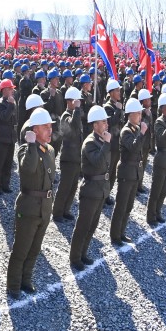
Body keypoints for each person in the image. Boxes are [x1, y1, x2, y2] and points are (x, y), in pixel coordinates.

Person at [7, 108, 56, 301]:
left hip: (44, 206)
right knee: (21, 248)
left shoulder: (50, 150)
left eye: (50, 126)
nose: (50, 130)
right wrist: (32, 143)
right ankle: (13, 285)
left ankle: (26, 280)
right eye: (45, 127)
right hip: (28, 207)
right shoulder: (25, 149)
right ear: (34, 129)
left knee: (35, 248)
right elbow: (28, 169)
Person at [69, 106, 113, 270]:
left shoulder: (100, 140)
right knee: (83, 225)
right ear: (95, 125)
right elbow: (98, 162)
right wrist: (107, 144)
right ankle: (75, 257)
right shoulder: (90, 143)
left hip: (100, 189)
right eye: (103, 121)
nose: (106, 124)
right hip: (91, 189)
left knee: (92, 224)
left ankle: (83, 253)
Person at [109, 98, 147, 246]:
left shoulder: (135, 129)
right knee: (121, 205)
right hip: (126, 172)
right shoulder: (126, 131)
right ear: (130, 114)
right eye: (138, 113)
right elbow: (133, 147)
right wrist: (142, 133)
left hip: (134, 172)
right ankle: (115, 235)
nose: (140, 116)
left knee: (129, 205)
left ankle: (121, 232)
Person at [52, 87, 84, 223]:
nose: (79, 104)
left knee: (72, 187)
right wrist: (76, 110)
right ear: (70, 102)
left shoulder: (74, 114)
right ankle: (57, 212)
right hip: (68, 158)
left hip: (76, 157)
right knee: (65, 187)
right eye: (76, 101)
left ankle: (66, 210)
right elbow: (74, 127)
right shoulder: (66, 115)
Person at [146, 93, 166, 225]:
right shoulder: (159, 122)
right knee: (156, 190)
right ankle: (151, 216)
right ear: (163, 108)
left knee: (163, 190)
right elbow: (161, 140)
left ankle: (158, 212)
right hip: (161, 158)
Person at [0, 79, 18, 193]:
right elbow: (4, 118)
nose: (13, 91)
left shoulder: (11, 101)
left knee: (8, 163)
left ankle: (5, 184)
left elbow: (14, 119)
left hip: (10, 137)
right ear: (5, 90)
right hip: (2, 137)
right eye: (11, 89)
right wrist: (11, 105)